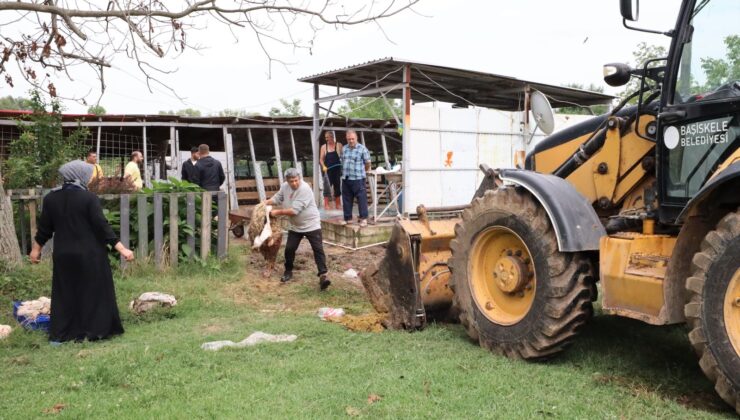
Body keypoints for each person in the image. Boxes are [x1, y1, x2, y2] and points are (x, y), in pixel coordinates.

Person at [29, 160, 135, 343]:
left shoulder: (51, 198)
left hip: (63, 254)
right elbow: (102, 227)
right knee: (94, 291)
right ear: (82, 176)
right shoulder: (88, 198)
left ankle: (61, 334)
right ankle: (95, 331)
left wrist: (35, 250)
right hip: (90, 253)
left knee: (65, 293)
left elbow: (44, 229)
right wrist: (122, 248)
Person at [264, 168, 330, 290]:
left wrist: (276, 212)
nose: (294, 183)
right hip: (295, 226)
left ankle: (323, 275)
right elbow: (277, 198)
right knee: (289, 249)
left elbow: (294, 211)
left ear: (299, 178)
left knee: (318, 249)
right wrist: (265, 203)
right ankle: (288, 272)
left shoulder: (304, 189)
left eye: (296, 180)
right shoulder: (285, 187)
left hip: (311, 224)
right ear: (287, 181)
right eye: (291, 181)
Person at [340, 129, 372, 227]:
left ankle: (363, 219)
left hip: (358, 178)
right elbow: (341, 161)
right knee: (346, 199)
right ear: (346, 139)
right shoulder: (344, 148)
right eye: (349, 139)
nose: (351, 141)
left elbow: (368, 163)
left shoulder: (362, 149)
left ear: (356, 138)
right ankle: (348, 218)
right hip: (346, 178)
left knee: (361, 199)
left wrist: (363, 172)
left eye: (352, 139)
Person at [319, 131, 343, 210]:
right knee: (327, 186)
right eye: (325, 138)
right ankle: (326, 204)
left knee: (337, 186)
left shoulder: (339, 145)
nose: (326, 139)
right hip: (327, 170)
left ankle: (338, 204)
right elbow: (321, 160)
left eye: (327, 137)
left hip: (337, 169)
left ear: (332, 137)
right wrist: (323, 166)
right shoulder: (324, 147)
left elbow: (343, 156)